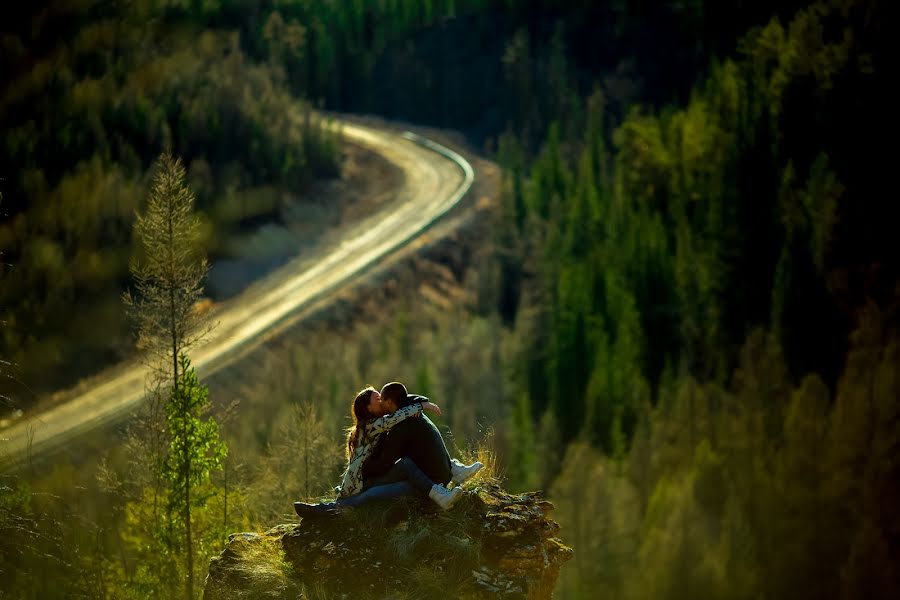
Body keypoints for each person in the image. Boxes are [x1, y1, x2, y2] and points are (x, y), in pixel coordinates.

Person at [294, 384, 478, 517]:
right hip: (364, 480)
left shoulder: (383, 423)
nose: (382, 401)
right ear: (368, 407)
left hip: (377, 475)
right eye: (378, 399)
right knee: (368, 496)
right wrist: (421, 405)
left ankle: (452, 470)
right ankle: (323, 509)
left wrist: (419, 402)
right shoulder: (370, 425)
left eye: (383, 399)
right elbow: (393, 419)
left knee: (403, 466)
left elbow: (401, 400)